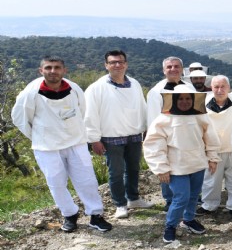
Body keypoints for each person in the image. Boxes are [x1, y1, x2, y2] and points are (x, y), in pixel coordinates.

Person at [12, 56, 112, 233]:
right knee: (56, 183)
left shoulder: (74, 88)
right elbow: (20, 119)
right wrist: (38, 136)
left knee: (87, 180)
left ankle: (96, 215)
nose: (53, 71)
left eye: (57, 67)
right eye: (48, 68)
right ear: (40, 71)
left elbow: (83, 111)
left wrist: (75, 131)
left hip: (76, 142)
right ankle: (70, 215)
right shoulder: (31, 92)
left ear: (64, 70)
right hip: (46, 147)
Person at [143, 85, 221, 243]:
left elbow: (210, 138)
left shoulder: (200, 116)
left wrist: (212, 158)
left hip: (197, 164)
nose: (184, 101)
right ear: (173, 100)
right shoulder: (164, 119)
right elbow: (153, 145)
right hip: (176, 167)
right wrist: (161, 168)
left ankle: (188, 219)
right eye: (181, 98)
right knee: (181, 198)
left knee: (193, 196)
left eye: (187, 98)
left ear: (193, 100)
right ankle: (170, 226)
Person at [84, 50, 152, 219]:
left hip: (134, 135)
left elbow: (142, 106)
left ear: (126, 64)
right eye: (113, 62)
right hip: (111, 137)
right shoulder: (97, 88)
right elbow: (89, 114)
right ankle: (120, 204)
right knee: (115, 172)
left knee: (134, 169)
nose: (117, 65)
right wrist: (94, 139)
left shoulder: (134, 84)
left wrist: (145, 128)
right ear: (106, 65)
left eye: (120, 62)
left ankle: (133, 198)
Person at [146, 56, 191, 210]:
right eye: (169, 67)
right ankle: (170, 201)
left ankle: (188, 199)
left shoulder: (190, 89)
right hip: (167, 138)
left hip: (188, 138)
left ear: (182, 69)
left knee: (187, 168)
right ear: (163, 70)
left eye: (176, 66)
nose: (173, 69)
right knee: (168, 170)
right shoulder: (156, 92)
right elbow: (153, 121)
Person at [197, 75, 232, 222]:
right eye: (216, 87)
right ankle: (209, 205)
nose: (219, 90)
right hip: (212, 149)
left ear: (229, 88)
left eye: (223, 86)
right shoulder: (202, 104)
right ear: (211, 88)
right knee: (211, 179)